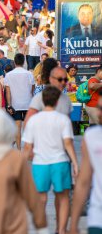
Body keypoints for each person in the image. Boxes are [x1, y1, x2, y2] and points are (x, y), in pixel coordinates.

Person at [23, 86, 79, 234]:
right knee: (63, 197)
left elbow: (27, 147)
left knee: (41, 198)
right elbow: (68, 143)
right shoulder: (63, 119)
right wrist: (75, 163)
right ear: (57, 101)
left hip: (40, 163)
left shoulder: (33, 120)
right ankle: (61, 230)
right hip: (60, 161)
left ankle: (41, 229)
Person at [68, 91, 102, 234]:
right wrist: (74, 224)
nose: (99, 113)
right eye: (99, 108)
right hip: (97, 216)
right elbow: (83, 181)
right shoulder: (92, 135)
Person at [4, 53, 35, 150]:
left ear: (14, 62)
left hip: (15, 105)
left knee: (17, 128)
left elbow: (8, 92)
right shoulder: (29, 74)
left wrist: (9, 105)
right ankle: (28, 149)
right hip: (28, 103)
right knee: (28, 128)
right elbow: (32, 89)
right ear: (24, 62)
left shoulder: (8, 75)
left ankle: (18, 149)